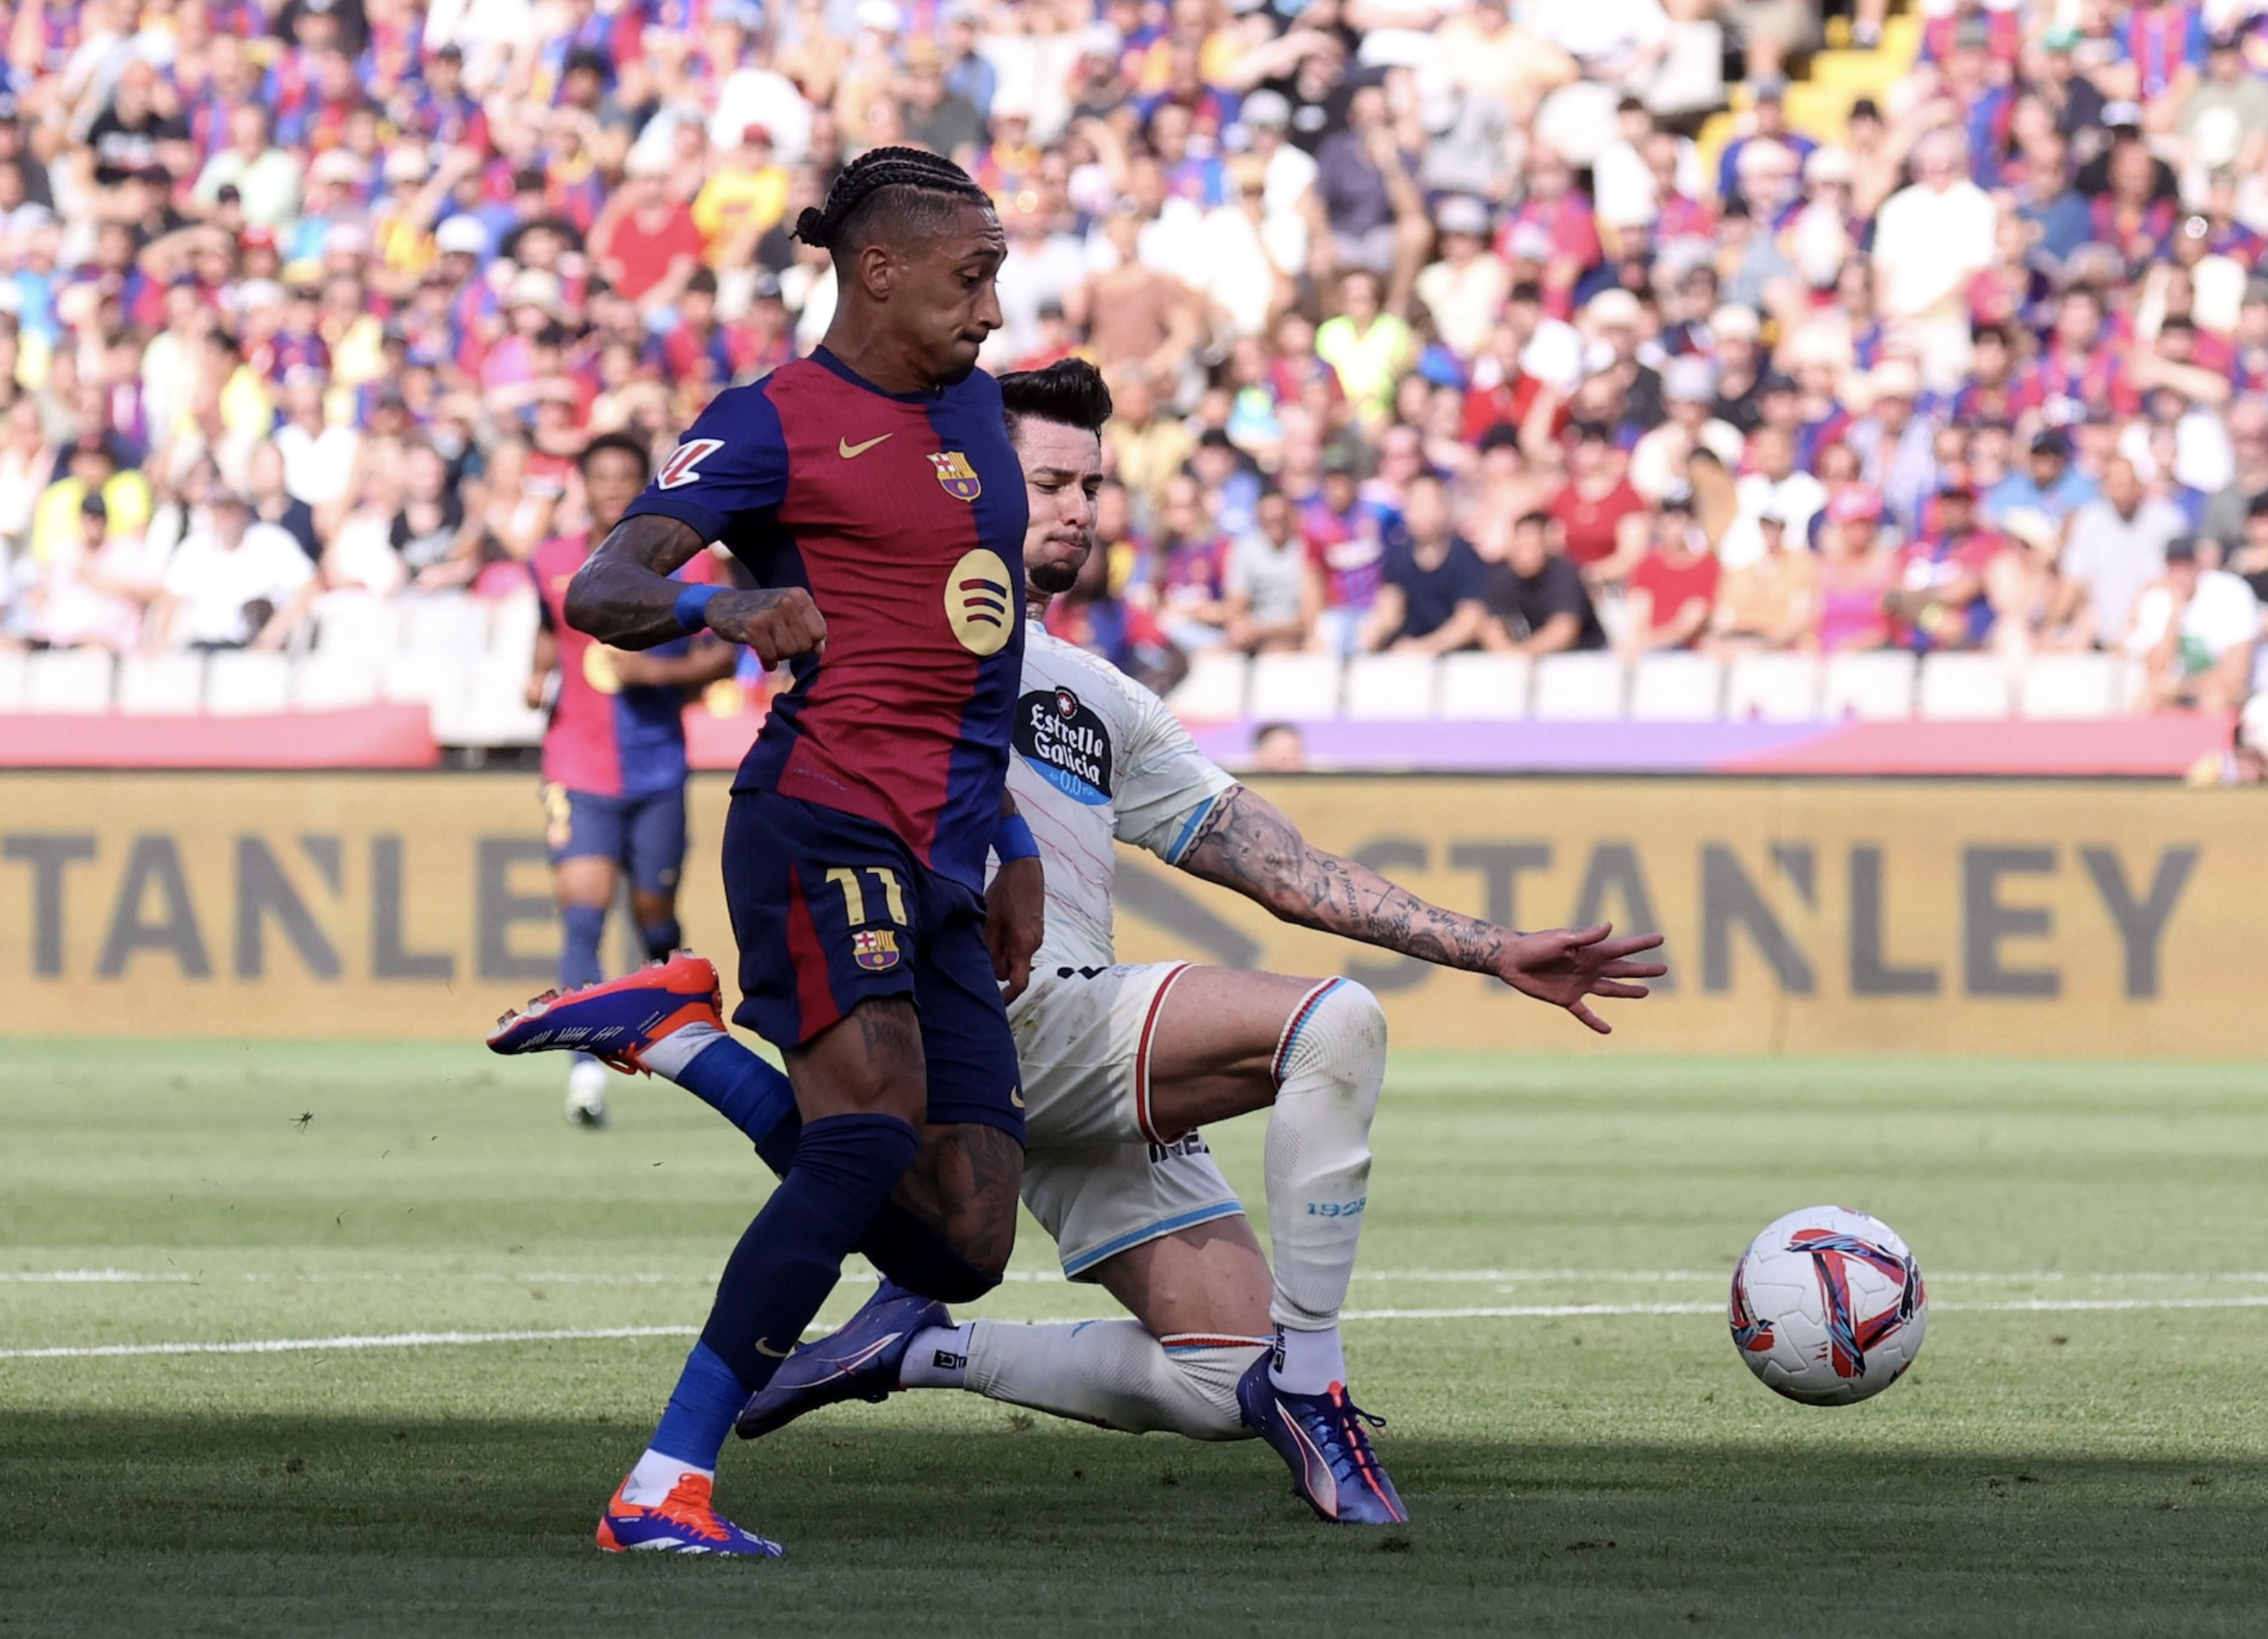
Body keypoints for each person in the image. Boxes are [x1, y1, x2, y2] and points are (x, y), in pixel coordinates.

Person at [492, 360, 1665, 1527]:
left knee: (1215, 1380)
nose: (1075, 507)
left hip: (1063, 1068)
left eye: (1089, 486)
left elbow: (1287, 869)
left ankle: (913, 1344)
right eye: (1045, 478)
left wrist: (1490, 947)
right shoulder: (909, 618)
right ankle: (1316, 1385)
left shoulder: (1102, 696)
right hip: (999, 1006)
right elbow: (733, 565)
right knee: (1334, 1023)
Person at [504, 149, 1042, 1557]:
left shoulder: (978, 406)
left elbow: (977, 649)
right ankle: (663, 1483)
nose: (992, 310)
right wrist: (719, 614)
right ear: (878, 268)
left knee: (963, 1242)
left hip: (949, 850)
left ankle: (684, 1043)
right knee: (865, 1138)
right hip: (820, 819)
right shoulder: (772, 424)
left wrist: (1018, 842)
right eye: (970, 277)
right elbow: (601, 587)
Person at [524, 434, 736, 1126]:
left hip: (654, 768)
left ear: (642, 485)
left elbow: (723, 660)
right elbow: (549, 632)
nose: (613, 489)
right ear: (583, 486)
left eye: (625, 478)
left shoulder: (688, 563)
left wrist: (659, 675)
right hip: (576, 764)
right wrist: (536, 675)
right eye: (601, 477)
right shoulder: (551, 562)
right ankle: (584, 1071)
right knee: (582, 908)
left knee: (653, 917)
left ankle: (667, 1022)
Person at [1358, 472, 1490, 654]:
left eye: (1428, 504)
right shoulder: (1398, 556)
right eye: (1415, 504)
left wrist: (1427, 647)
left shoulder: (1465, 556)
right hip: (1410, 657)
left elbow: (1470, 620)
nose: (1421, 512)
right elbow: (1391, 606)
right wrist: (1376, 630)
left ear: (1444, 508)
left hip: (1459, 658)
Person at [1481, 510, 1606, 655]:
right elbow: (1490, 625)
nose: (1526, 554)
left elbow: (1565, 629)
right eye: (1521, 545)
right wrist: (1505, 653)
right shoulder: (1502, 578)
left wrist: (1523, 653)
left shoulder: (1564, 574)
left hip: (1582, 657)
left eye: (1532, 546)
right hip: (1525, 658)